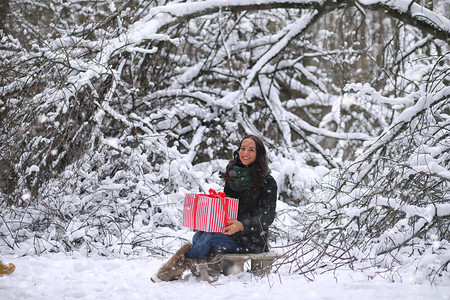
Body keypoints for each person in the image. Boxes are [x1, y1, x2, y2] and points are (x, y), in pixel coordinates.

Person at [152, 135, 277, 282]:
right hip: (230, 232)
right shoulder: (234, 177)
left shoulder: (267, 181)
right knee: (199, 236)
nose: (245, 153)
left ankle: (174, 269)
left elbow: (267, 216)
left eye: (251, 150)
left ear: (258, 154)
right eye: (243, 148)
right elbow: (227, 207)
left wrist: (241, 225)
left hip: (251, 240)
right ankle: (189, 265)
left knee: (209, 238)